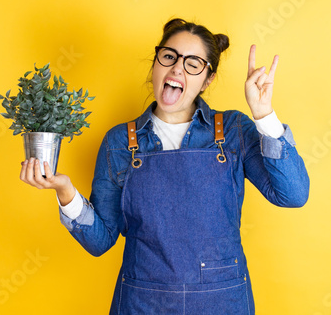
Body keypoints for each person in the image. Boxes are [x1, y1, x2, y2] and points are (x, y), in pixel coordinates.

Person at [20, 18, 310, 314]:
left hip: (221, 301)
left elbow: (293, 194)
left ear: (207, 80)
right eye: (169, 56)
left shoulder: (233, 130)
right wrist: (66, 193)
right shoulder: (120, 141)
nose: (177, 68)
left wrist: (264, 115)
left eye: (193, 63)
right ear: (155, 64)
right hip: (143, 302)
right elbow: (100, 241)